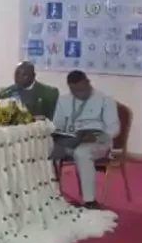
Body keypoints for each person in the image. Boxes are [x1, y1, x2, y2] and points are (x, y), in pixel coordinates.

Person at [51, 70, 120, 210]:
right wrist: (61, 133)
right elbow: (57, 125)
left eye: (82, 90)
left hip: (97, 142)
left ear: (88, 83)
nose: (79, 94)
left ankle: (89, 201)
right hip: (70, 141)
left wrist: (99, 136)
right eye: (75, 91)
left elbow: (114, 128)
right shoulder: (64, 100)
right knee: (43, 149)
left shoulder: (105, 100)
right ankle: (52, 196)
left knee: (82, 152)